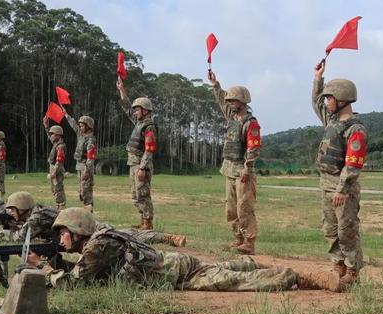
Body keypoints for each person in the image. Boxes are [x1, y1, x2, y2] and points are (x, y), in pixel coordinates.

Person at [26, 208, 341, 292]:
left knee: (235, 283)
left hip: (174, 273)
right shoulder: (98, 242)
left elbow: (75, 282)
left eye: (64, 233)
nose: (61, 239)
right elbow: (86, 271)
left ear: (79, 230)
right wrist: (57, 260)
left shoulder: (96, 245)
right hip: (172, 264)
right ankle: (247, 261)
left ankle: (301, 277)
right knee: (230, 270)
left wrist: (45, 268)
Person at [311, 59, 367, 287]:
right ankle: (338, 265)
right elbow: (316, 103)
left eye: (330, 98)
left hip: (343, 187)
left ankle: (352, 272)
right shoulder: (331, 120)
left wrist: (342, 189)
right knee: (330, 228)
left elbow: (353, 163)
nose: (326, 102)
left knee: (347, 230)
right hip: (326, 183)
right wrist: (318, 78)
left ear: (342, 100)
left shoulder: (355, 129)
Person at [0, 192, 186, 247]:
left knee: (129, 236)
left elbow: (19, 238)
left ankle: (167, 238)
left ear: (23, 207)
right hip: (80, 231)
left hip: (90, 229)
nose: (10, 214)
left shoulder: (37, 216)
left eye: (13, 210)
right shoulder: (33, 214)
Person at [208, 70, 261, 255]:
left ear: (243, 102)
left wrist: (248, 168)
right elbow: (220, 101)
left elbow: (253, 149)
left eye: (233, 101)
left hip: (242, 171)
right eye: (228, 101)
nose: (229, 103)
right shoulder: (232, 118)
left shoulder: (250, 123)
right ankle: (237, 239)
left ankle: (249, 242)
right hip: (229, 170)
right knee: (231, 208)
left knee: (244, 207)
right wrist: (216, 85)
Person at [116, 77, 157, 230]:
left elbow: (149, 149)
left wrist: (142, 168)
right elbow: (127, 108)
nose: (134, 112)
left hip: (141, 165)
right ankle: (143, 220)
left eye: (137, 109)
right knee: (135, 195)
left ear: (145, 111)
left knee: (143, 193)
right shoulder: (139, 123)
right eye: (134, 110)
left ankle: (148, 222)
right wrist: (122, 90)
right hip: (133, 163)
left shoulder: (149, 127)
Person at [63, 108, 97, 211]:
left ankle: (88, 213)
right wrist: (66, 114)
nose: (80, 127)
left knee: (86, 192)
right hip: (79, 166)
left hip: (86, 167)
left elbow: (90, 158)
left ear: (88, 127)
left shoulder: (90, 140)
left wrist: (87, 170)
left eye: (82, 126)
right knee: (82, 192)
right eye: (80, 125)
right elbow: (73, 124)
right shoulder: (81, 135)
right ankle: (87, 210)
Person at [43, 118, 67, 208]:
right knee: (54, 188)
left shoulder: (60, 146)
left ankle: (61, 205)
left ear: (58, 135)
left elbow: (59, 161)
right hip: (53, 167)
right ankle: (58, 204)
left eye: (53, 134)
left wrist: (53, 172)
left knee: (58, 187)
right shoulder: (56, 143)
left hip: (57, 169)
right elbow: (49, 136)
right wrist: (46, 126)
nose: (51, 136)